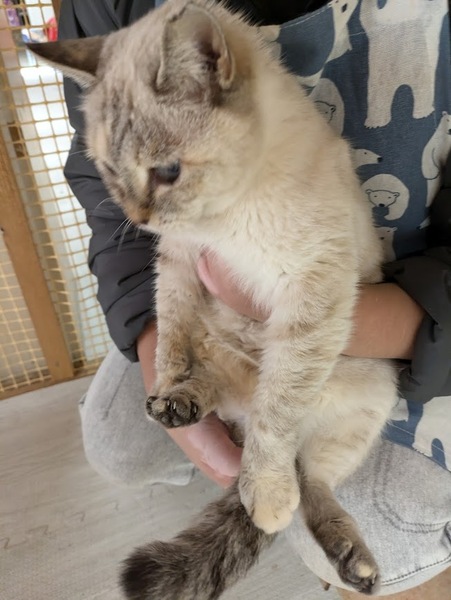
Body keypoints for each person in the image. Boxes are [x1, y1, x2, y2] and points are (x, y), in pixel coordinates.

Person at [59, 0, 451, 597]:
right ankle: (215, 407)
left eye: (164, 173)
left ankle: (314, 494)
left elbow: (313, 308)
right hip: (226, 332)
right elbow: (168, 256)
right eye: (123, 179)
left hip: (396, 316)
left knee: (382, 513)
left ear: (215, 68)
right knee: (116, 436)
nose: (139, 214)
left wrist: (269, 454)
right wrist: (167, 360)